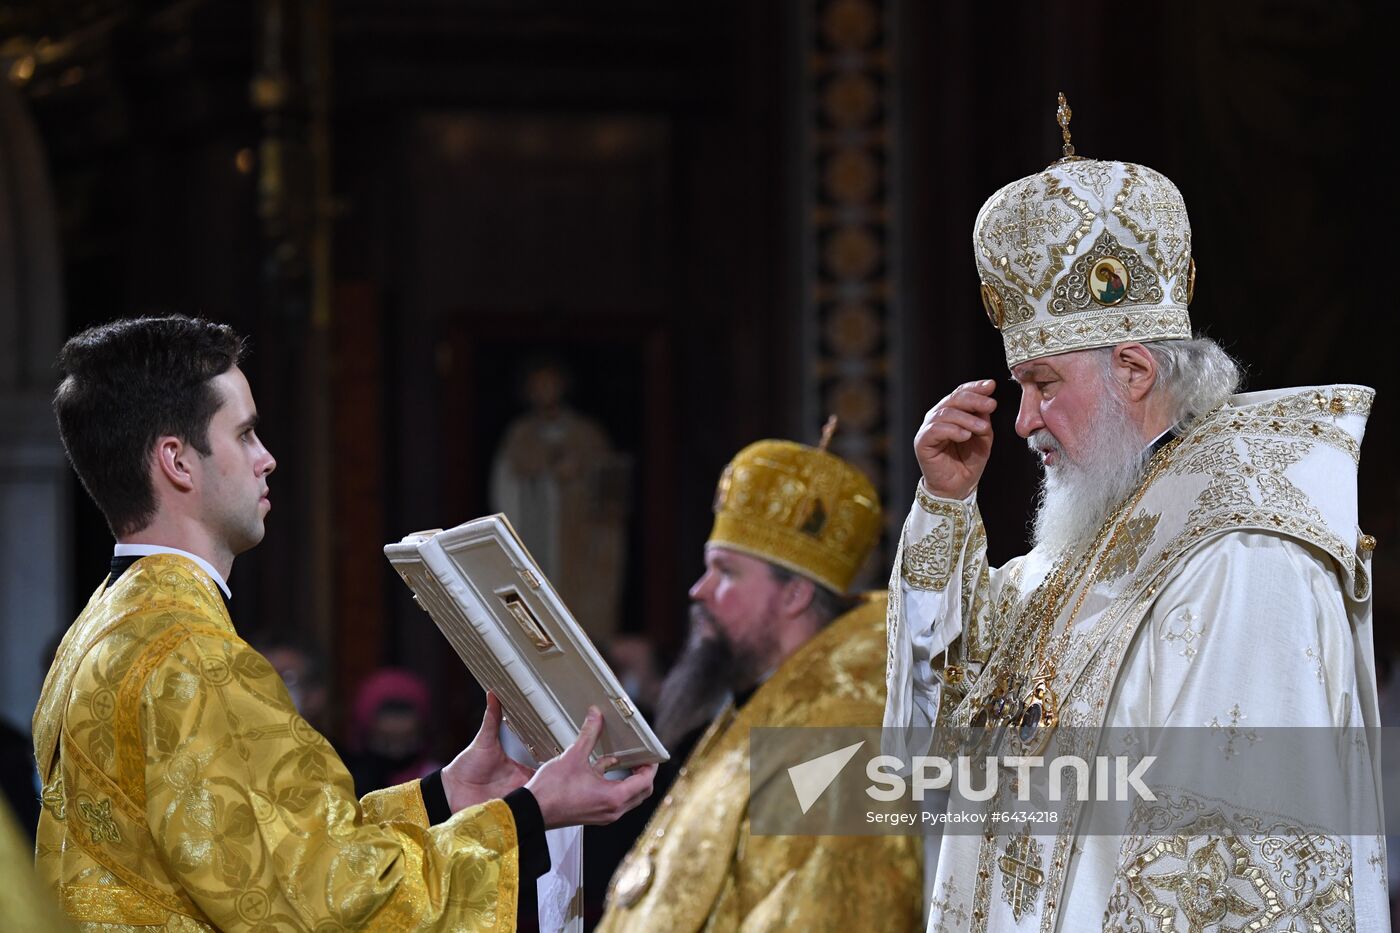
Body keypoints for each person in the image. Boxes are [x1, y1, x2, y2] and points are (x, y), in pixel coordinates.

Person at [884, 97, 1387, 930]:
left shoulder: (1243, 551)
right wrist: (942, 507)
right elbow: (922, 754)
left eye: (1043, 385)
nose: (1022, 420)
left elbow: (1231, 873)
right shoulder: (1074, 557)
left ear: (1133, 370)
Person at [34, 315, 656, 931]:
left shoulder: (100, 628)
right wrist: (528, 814)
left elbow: (270, 859)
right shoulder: (195, 657)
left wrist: (445, 796)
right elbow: (330, 908)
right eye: (245, 434)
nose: (267, 459)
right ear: (177, 461)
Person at [598, 430, 923, 932]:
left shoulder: (844, 747)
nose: (698, 591)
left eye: (725, 572)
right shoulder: (759, 707)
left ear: (793, 594)